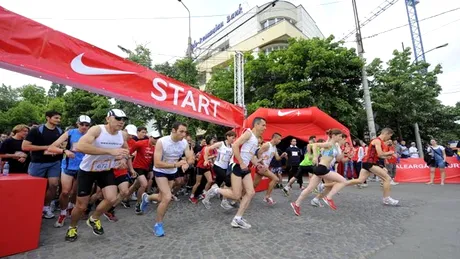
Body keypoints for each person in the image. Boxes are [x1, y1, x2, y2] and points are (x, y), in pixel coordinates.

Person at [64, 109, 130, 242]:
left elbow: (125, 150)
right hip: (87, 171)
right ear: (108, 119)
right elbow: (81, 146)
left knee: (111, 199)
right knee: (81, 206)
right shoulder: (97, 130)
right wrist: (110, 152)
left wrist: (123, 159)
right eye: (117, 118)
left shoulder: (122, 135)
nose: (121, 121)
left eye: (123, 119)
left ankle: (94, 218)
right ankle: (72, 227)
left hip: (105, 170)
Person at [203, 117, 267, 229]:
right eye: (263, 125)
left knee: (251, 192)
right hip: (237, 166)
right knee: (236, 195)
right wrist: (241, 162)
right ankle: (215, 189)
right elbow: (235, 145)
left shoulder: (256, 140)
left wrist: (257, 163)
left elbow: (250, 155)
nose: (265, 128)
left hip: (244, 167)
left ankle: (237, 219)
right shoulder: (248, 133)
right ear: (256, 125)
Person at [139, 121, 194, 237]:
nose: (184, 134)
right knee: (167, 198)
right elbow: (158, 163)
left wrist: (187, 164)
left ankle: (147, 198)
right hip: (160, 171)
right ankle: (158, 225)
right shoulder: (162, 141)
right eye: (181, 131)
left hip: (172, 172)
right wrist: (176, 165)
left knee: (161, 197)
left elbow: (190, 157)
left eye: (185, 132)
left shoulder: (184, 143)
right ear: (173, 130)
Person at [290, 129, 348, 215]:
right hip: (322, 168)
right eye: (339, 136)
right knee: (343, 181)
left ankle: (296, 204)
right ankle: (328, 198)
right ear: (334, 136)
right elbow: (314, 145)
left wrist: (345, 153)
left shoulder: (335, 146)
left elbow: (338, 159)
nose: (341, 138)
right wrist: (314, 157)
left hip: (321, 169)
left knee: (310, 189)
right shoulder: (329, 144)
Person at [47, 115, 91, 227]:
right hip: (68, 166)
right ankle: (62, 213)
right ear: (77, 123)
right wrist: (65, 151)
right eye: (82, 124)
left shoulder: (92, 135)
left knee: (74, 192)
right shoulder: (70, 133)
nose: (84, 127)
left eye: (87, 125)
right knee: (65, 192)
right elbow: (51, 147)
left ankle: (71, 208)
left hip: (83, 168)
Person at [22, 110, 64, 219]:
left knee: (54, 185)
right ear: (48, 118)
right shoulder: (36, 130)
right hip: (38, 162)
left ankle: (45, 208)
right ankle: (31, 208)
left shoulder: (60, 131)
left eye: (59, 118)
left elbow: (62, 146)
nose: (58, 120)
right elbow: (25, 147)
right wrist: (46, 147)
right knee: (34, 187)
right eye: (56, 118)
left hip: (54, 162)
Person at [347, 128, 399, 206]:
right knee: (387, 178)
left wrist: (387, 156)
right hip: (370, 163)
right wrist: (390, 153)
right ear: (386, 133)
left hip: (368, 162)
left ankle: (335, 184)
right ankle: (386, 198)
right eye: (389, 136)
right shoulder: (377, 141)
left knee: (360, 180)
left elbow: (378, 155)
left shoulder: (379, 141)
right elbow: (380, 154)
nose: (389, 138)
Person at [200, 130, 236, 210]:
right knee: (228, 182)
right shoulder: (221, 144)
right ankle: (224, 201)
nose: (233, 140)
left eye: (234, 138)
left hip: (225, 168)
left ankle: (206, 199)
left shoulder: (232, 146)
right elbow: (207, 149)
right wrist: (206, 160)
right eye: (232, 138)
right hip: (218, 166)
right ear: (227, 136)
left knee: (217, 185)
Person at [130, 131, 160, 214]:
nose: (156, 140)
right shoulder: (140, 143)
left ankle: (124, 198)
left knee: (135, 186)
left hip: (146, 168)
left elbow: (153, 160)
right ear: (150, 137)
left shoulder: (156, 147)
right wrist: (129, 166)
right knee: (144, 184)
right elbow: (130, 152)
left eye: (157, 138)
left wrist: (151, 170)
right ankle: (138, 204)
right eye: (154, 138)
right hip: (137, 166)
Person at [254, 133, 287, 205]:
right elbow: (258, 153)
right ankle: (267, 197)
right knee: (275, 179)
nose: (280, 141)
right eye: (279, 139)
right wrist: (263, 164)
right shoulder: (267, 145)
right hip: (261, 166)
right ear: (274, 138)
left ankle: (241, 196)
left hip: (264, 167)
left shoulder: (274, 148)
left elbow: (277, 158)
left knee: (254, 185)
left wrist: (282, 156)